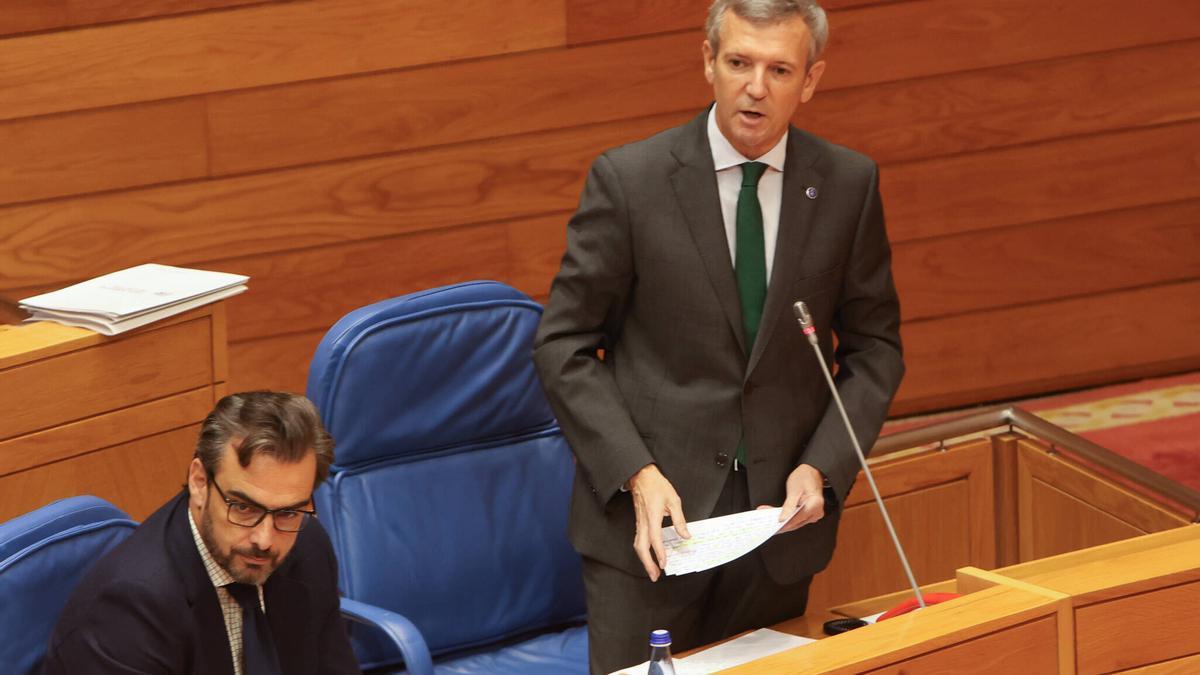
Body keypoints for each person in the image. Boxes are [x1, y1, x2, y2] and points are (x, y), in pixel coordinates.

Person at [532, 0, 904, 671]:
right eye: (738, 62)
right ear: (708, 61)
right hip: (650, 534)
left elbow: (875, 349)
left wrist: (822, 466)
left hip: (778, 530)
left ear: (811, 79)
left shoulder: (847, 185)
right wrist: (636, 474)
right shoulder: (631, 181)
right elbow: (564, 346)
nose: (755, 87)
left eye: (779, 69)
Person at [42, 391, 360, 675]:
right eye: (244, 508)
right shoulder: (132, 608)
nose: (264, 539)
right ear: (199, 482)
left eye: (287, 512)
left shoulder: (307, 544)